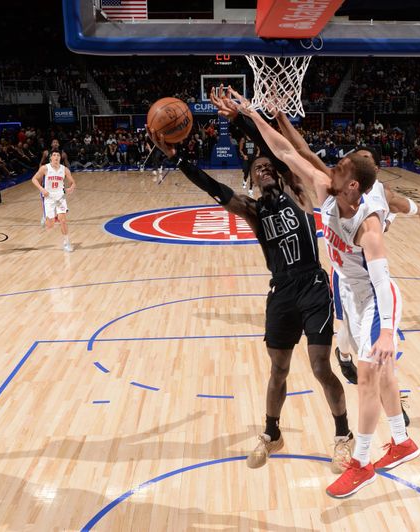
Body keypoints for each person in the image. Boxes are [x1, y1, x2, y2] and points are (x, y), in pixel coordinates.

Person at [239, 96, 419, 499]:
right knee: (383, 375)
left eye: (338, 167)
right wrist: (253, 115)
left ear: (353, 184)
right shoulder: (327, 188)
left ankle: (362, 463)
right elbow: (289, 151)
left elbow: (384, 281)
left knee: (368, 378)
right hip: (350, 294)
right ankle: (403, 441)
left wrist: (387, 331)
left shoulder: (367, 227)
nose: (328, 167)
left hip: (375, 300)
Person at [150, 127, 354, 476]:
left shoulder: (298, 192)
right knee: (279, 369)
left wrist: (246, 121)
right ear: (252, 182)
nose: (264, 170)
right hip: (282, 291)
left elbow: (280, 151)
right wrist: (177, 158)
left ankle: (343, 435)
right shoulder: (253, 210)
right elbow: (212, 188)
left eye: (268, 166)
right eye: (257, 169)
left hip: (313, 285)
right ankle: (272, 433)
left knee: (320, 366)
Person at [31, 149, 76, 252]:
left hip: (60, 197)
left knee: (63, 220)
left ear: (60, 158)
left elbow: (73, 182)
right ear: (50, 157)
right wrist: (42, 189)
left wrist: (71, 188)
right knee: (50, 225)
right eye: (54, 155)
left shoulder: (64, 169)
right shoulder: (45, 168)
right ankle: (45, 217)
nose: (56, 157)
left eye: (58, 155)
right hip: (49, 197)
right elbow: (33, 179)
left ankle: (66, 242)